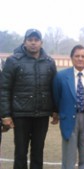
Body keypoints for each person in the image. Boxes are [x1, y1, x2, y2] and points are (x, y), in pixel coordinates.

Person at [0, 28, 57, 169]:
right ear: (24, 42)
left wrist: (55, 110)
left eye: (36, 40)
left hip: (42, 114)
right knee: (20, 152)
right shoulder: (13, 61)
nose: (33, 43)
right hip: (20, 115)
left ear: (41, 43)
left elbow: (54, 88)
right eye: (30, 40)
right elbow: (4, 89)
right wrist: (5, 114)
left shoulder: (49, 62)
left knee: (38, 152)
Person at [52, 45, 84, 169]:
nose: (80, 59)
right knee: (69, 157)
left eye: (83, 56)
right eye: (77, 56)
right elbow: (57, 97)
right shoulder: (61, 76)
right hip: (68, 118)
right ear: (71, 58)